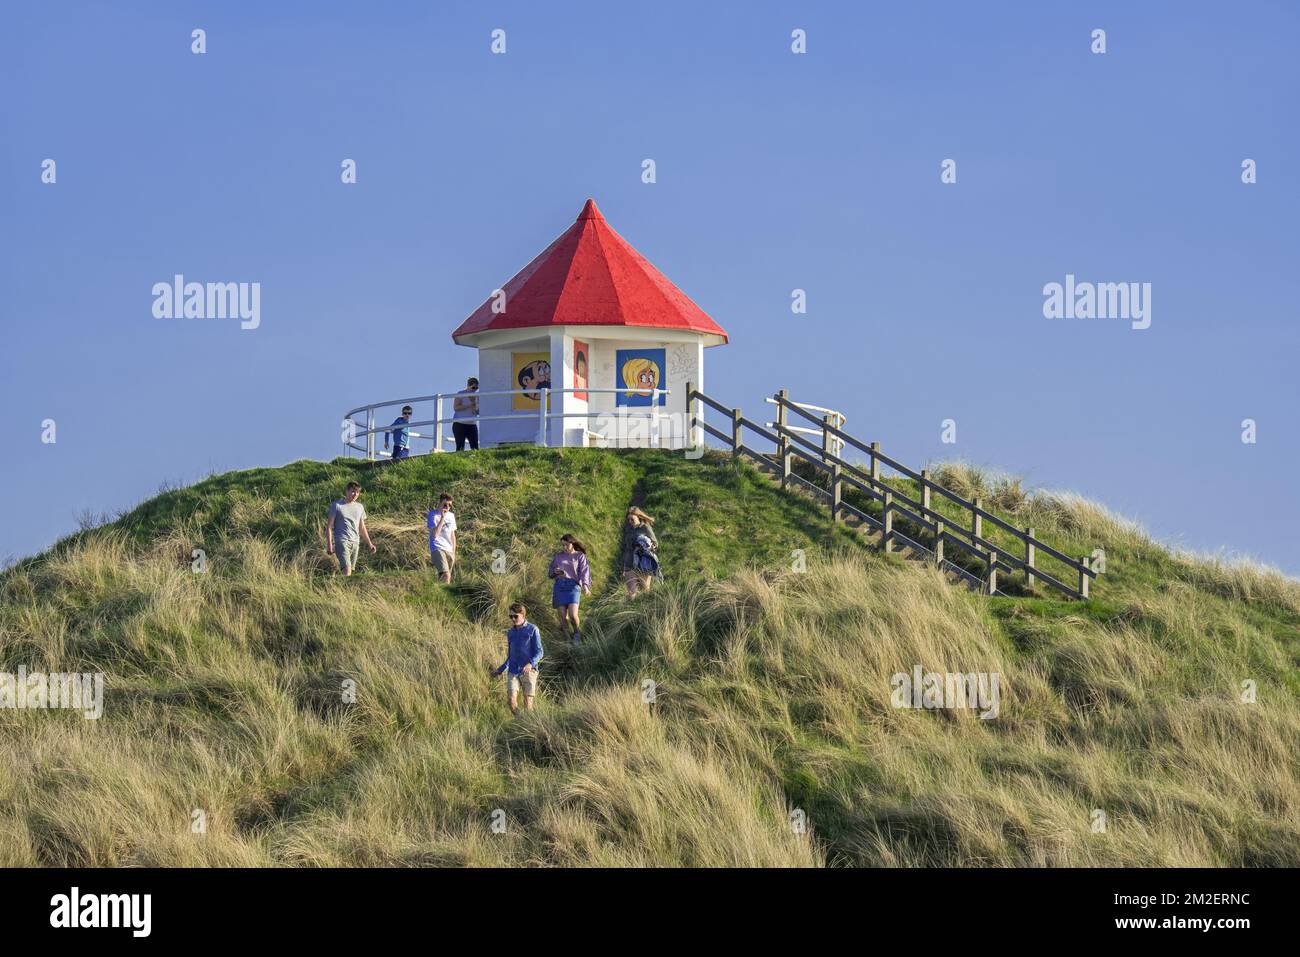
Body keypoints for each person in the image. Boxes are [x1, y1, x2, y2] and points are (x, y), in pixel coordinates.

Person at [491, 603, 543, 715]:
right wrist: (500, 670)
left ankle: (528, 726)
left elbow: (540, 652)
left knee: (528, 704)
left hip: (529, 671)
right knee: (511, 701)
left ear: (523, 615)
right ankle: (522, 721)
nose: (513, 619)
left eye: (515, 616)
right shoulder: (510, 632)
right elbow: (510, 656)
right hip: (513, 671)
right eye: (511, 616)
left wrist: (530, 664)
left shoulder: (533, 629)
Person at [548, 534, 592, 644]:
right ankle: (567, 639)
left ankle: (577, 633)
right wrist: (555, 572)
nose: (564, 547)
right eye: (562, 545)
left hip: (573, 587)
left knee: (573, 615)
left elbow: (584, 572)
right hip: (559, 587)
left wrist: (585, 587)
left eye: (567, 545)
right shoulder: (558, 557)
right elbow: (550, 572)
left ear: (572, 543)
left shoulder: (579, 556)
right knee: (563, 617)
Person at [326, 481, 376, 576]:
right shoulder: (337, 505)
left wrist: (370, 544)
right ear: (347, 491)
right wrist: (329, 544)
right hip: (342, 541)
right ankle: (343, 589)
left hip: (355, 543)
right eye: (353, 491)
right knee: (347, 569)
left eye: (357, 492)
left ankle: (339, 588)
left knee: (348, 572)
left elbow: (362, 527)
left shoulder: (360, 507)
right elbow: (329, 526)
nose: (355, 494)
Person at [620, 506, 659, 596]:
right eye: (628, 519)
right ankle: (630, 608)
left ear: (638, 517)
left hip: (643, 564)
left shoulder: (645, 528)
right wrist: (624, 566)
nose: (630, 522)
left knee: (645, 592)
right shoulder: (628, 529)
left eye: (632, 519)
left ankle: (643, 610)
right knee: (631, 593)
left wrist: (642, 546)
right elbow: (625, 548)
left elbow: (655, 544)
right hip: (629, 563)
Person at [427, 493, 457, 583]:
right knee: (446, 575)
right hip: (437, 548)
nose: (447, 507)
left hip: (449, 549)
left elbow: (452, 535)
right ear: (440, 503)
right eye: (445, 504)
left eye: (449, 505)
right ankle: (447, 596)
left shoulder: (451, 516)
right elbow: (435, 534)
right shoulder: (432, 515)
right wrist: (442, 518)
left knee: (443, 577)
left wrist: (453, 552)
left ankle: (437, 593)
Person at [452, 378, 480, 451]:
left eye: (477, 388)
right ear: (468, 386)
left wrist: (475, 408)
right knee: (460, 447)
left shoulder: (478, 396)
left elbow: (478, 412)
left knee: (475, 447)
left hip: (472, 424)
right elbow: (456, 407)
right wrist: (469, 405)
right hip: (459, 424)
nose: (475, 389)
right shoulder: (461, 394)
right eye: (473, 387)